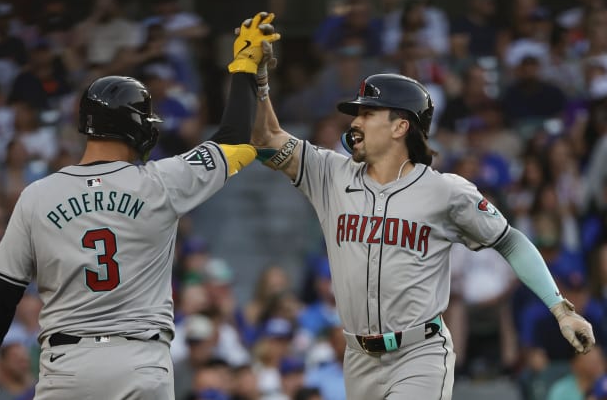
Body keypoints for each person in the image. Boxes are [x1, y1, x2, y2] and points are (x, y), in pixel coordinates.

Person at [245, 20, 595, 399]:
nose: (355, 121)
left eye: (367, 113)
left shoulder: (444, 191)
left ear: (400, 127)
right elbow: (265, 141)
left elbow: (510, 242)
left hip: (418, 354)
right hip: (357, 358)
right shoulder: (329, 173)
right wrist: (259, 81)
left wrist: (561, 309)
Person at [0, 12, 280, 400]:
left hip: (67, 366)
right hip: (140, 360)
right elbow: (233, 139)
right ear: (136, 125)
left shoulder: (37, 195)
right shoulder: (162, 181)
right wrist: (244, 66)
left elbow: (3, 287)